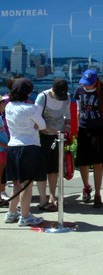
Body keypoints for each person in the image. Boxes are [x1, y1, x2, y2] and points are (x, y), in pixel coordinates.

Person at [4, 78, 46, 226]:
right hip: (29, 147)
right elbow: (42, 125)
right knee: (27, 184)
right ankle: (25, 216)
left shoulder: (9, 106)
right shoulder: (30, 109)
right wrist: (34, 125)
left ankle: (11, 213)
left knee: (16, 183)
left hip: (13, 147)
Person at [74, 69, 103, 208]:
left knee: (98, 162)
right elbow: (78, 108)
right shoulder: (79, 90)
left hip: (99, 129)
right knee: (83, 162)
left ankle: (98, 193)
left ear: (95, 82)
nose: (86, 86)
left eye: (89, 84)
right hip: (84, 129)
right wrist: (78, 124)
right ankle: (86, 186)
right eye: (85, 83)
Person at [34, 78, 71, 212]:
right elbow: (36, 121)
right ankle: (43, 197)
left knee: (54, 169)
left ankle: (52, 195)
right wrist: (52, 131)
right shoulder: (42, 97)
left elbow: (67, 115)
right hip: (43, 137)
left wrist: (67, 126)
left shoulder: (66, 98)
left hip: (59, 136)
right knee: (43, 168)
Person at [0, 96, 9, 201]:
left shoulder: (1, 116)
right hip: (1, 151)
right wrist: (5, 146)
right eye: (2, 104)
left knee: (3, 174)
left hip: (4, 151)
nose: (4, 105)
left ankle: (2, 192)